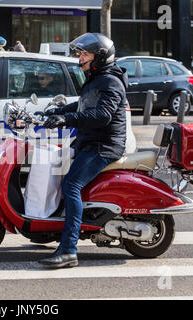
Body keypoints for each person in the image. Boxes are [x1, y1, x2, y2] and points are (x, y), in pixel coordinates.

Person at [38, 33, 128, 269]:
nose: (81, 59)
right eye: (80, 54)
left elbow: (102, 116)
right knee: (61, 178)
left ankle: (69, 250)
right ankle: (47, 231)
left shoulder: (110, 81)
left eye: (85, 54)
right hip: (90, 141)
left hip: (104, 145)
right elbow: (83, 105)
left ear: (99, 57)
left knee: (71, 185)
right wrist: (51, 113)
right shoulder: (97, 78)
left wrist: (65, 119)